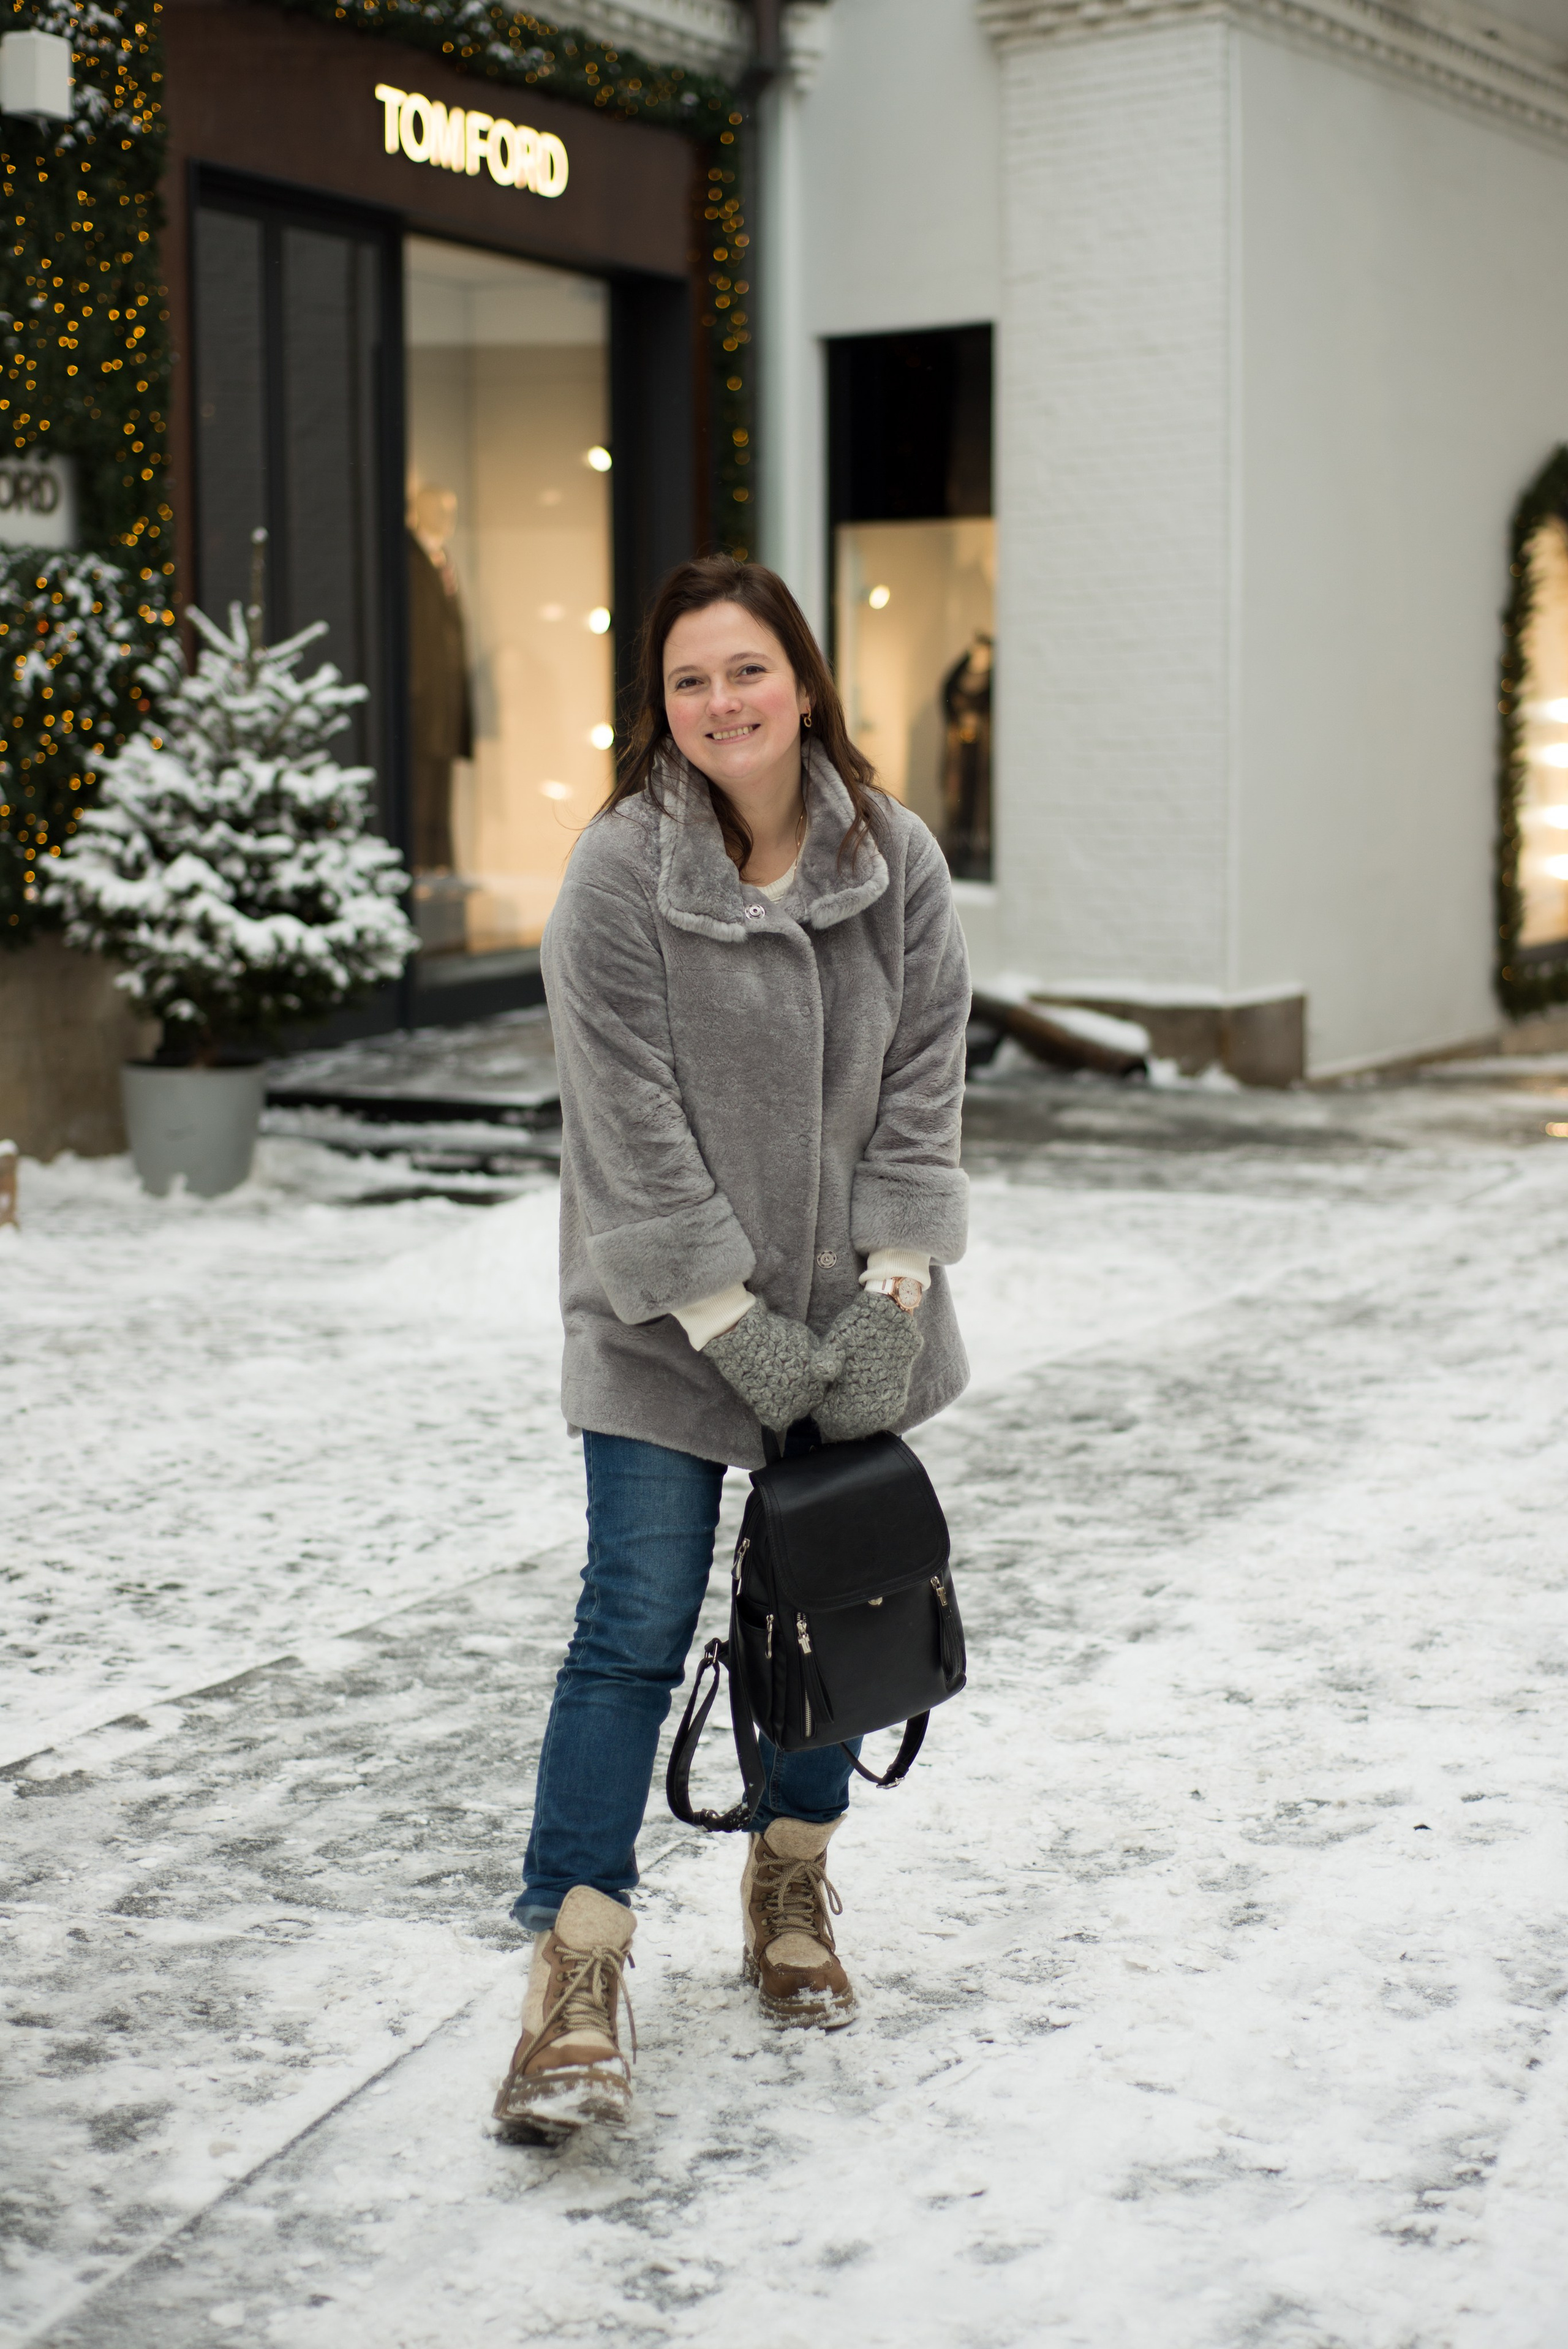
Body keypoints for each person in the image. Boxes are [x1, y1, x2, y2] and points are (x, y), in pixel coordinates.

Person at [494, 556, 971, 2143]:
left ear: (805, 680)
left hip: (851, 1323)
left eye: (746, 670)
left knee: (826, 1606)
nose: (721, 704)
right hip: (660, 1326)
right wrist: (722, 1319)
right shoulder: (619, 874)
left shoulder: (890, 856)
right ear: (662, 704)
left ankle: (791, 1880)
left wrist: (890, 1300)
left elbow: (924, 1078)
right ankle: (576, 1963)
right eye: (690, 680)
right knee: (632, 1620)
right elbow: (622, 1115)